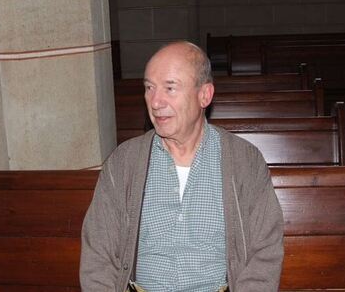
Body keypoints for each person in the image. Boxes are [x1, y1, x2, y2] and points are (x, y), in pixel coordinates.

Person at [80, 42, 284, 292]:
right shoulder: (124, 163)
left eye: (170, 88)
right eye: (149, 88)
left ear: (204, 95)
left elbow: (265, 252)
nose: (155, 102)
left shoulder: (244, 162)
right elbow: (98, 254)